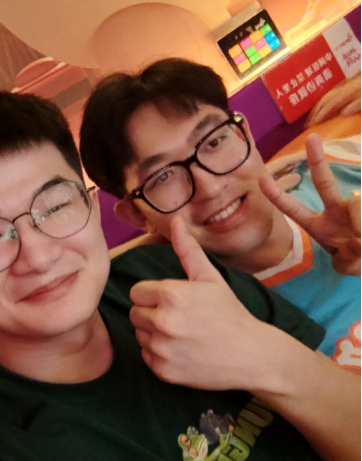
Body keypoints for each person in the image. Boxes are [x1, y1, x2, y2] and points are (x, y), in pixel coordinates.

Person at [0, 91, 358, 461]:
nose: (38, 256)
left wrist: (263, 355)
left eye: (55, 207)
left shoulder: (170, 273)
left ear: (90, 206)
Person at [79, 59, 361, 368]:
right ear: (137, 216)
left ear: (244, 134)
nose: (210, 187)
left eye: (214, 142)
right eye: (163, 176)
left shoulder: (346, 165)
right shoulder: (198, 333)